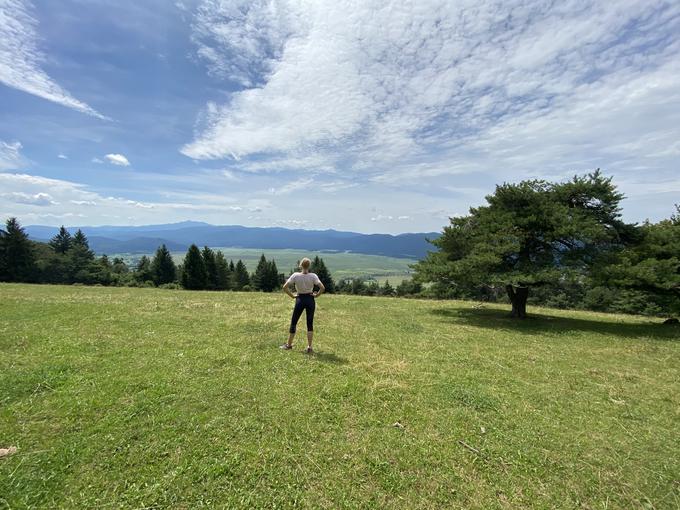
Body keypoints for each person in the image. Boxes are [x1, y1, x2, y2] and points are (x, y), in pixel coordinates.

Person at [281, 257, 325, 353]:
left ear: (300, 265)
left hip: (300, 299)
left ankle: (289, 345)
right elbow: (322, 288)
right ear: (309, 266)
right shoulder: (313, 276)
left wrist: (292, 296)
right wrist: (316, 295)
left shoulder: (295, 276)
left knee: (294, 322)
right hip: (310, 299)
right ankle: (309, 347)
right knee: (309, 323)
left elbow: (285, 287)